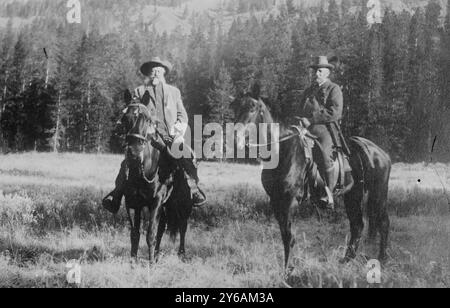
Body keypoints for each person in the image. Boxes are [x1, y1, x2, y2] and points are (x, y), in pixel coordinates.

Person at [102, 57, 207, 214]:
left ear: (164, 72)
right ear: (148, 74)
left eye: (159, 70)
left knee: (186, 156)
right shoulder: (139, 91)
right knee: (128, 161)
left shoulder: (174, 92)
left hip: (170, 135)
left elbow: (182, 115)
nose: (155, 73)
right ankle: (116, 195)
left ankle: (193, 189)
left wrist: (177, 132)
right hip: (148, 136)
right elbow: (133, 112)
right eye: (152, 71)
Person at [299, 56, 345, 209]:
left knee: (325, 157)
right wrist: (300, 120)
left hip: (325, 130)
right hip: (305, 129)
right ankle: (300, 193)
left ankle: (329, 194)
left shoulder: (334, 89)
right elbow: (299, 109)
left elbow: (335, 112)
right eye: (315, 71)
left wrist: (311, 119)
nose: (316, 74)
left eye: (319, 71)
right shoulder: (308, 91)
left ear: (327, 73)